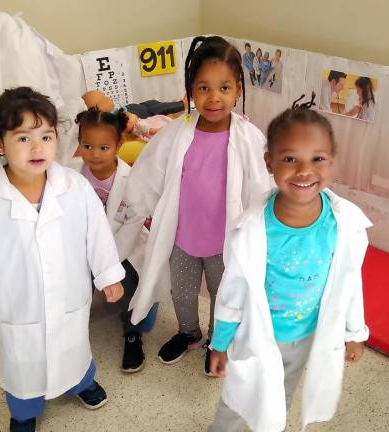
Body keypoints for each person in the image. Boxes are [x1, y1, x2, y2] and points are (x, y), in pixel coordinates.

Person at [0, 87, 125, 432]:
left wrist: (108, 274)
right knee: (22, 364)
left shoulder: (75, 188)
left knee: (75, 346)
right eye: (23, 138)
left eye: (46, 136)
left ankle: (81, 382)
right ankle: (23, 411)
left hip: (69, 296)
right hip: (21, 305)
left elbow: (97, 234)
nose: (37, 148)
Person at [208, 93, 371, 432]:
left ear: (332, 161)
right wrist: (220, 344)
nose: (304, 171)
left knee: (280, 396)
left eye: (318, 158)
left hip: (305, 337)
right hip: (255, 336)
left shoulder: (343, 226)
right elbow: (233, 292)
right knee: (238, 397)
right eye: (290, 159)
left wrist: (355, 332)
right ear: (269, 163)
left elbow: (349, 282)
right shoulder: (252, 230)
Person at [123, 35, 271, 375]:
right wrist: (139, 208)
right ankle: (188, 333)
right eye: (203, 88)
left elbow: (263, 185)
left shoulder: (249, 138)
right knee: (183, 294)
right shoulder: (176, 132)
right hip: (184, 239)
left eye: (224, 88)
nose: (214, 97)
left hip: (225, 243)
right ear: (190, 90)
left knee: (224, 297)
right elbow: (149, 171)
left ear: (238, 91)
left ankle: (219, 342)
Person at [75, 107, 149, 373]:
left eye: (103, 147)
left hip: (123, 249)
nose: (94, 154)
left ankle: (132, 332)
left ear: (118, 144)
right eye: (87, 146)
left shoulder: (132, 181)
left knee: (125, 280)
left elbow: (131, 228)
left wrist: (105, 265)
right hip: (83, 249)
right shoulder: (72, 178)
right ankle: (70, 331)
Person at [82, 90, 185, 139]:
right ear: (100, 109)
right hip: (140, 114)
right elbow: (128, 126)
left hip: (135, 107)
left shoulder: (111, 113)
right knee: (161, 108)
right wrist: (129, 116)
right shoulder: (111, 122)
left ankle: (179, 103)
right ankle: (183, 104)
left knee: (153, 103)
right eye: (104, 97)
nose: (108, 96)